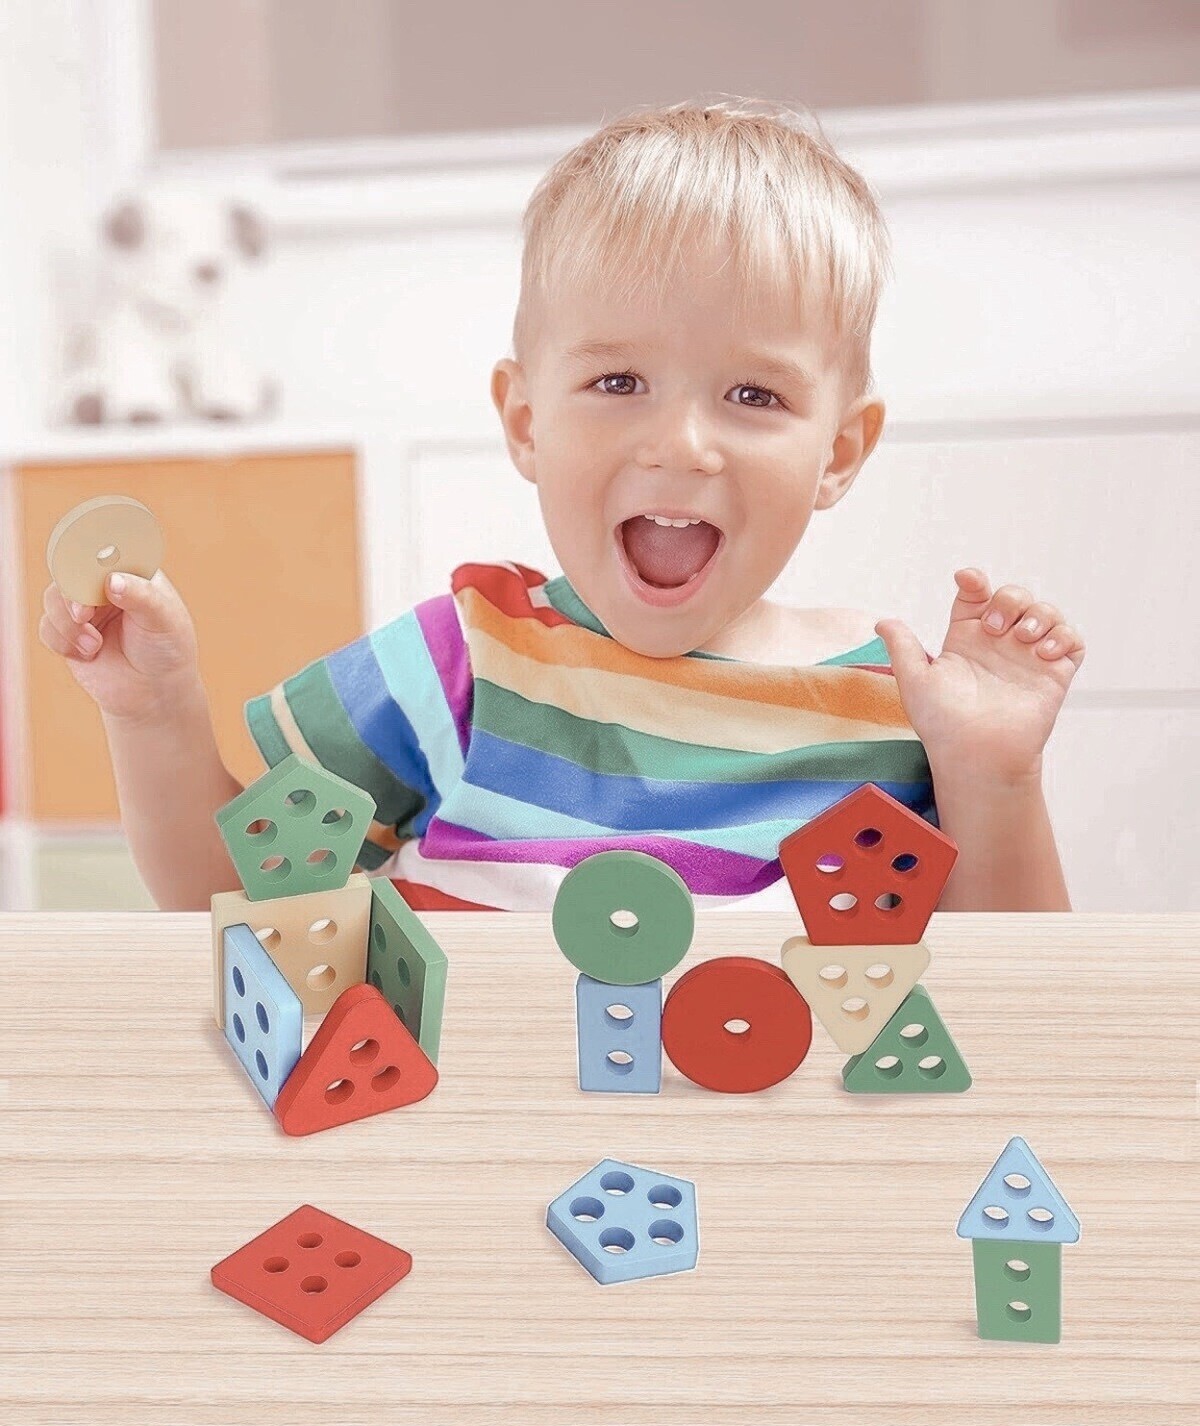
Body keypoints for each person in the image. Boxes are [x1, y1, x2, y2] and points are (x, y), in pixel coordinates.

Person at [38, 97, 1085, 914]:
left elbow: (1021, 1005)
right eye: (619, 382)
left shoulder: (892, 712)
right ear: (527, 421)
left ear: (839, 452)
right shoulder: (458, 666)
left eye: (754, 396)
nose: (681, 445)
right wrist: (154, 714)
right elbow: (235, 898)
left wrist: (994, 776)